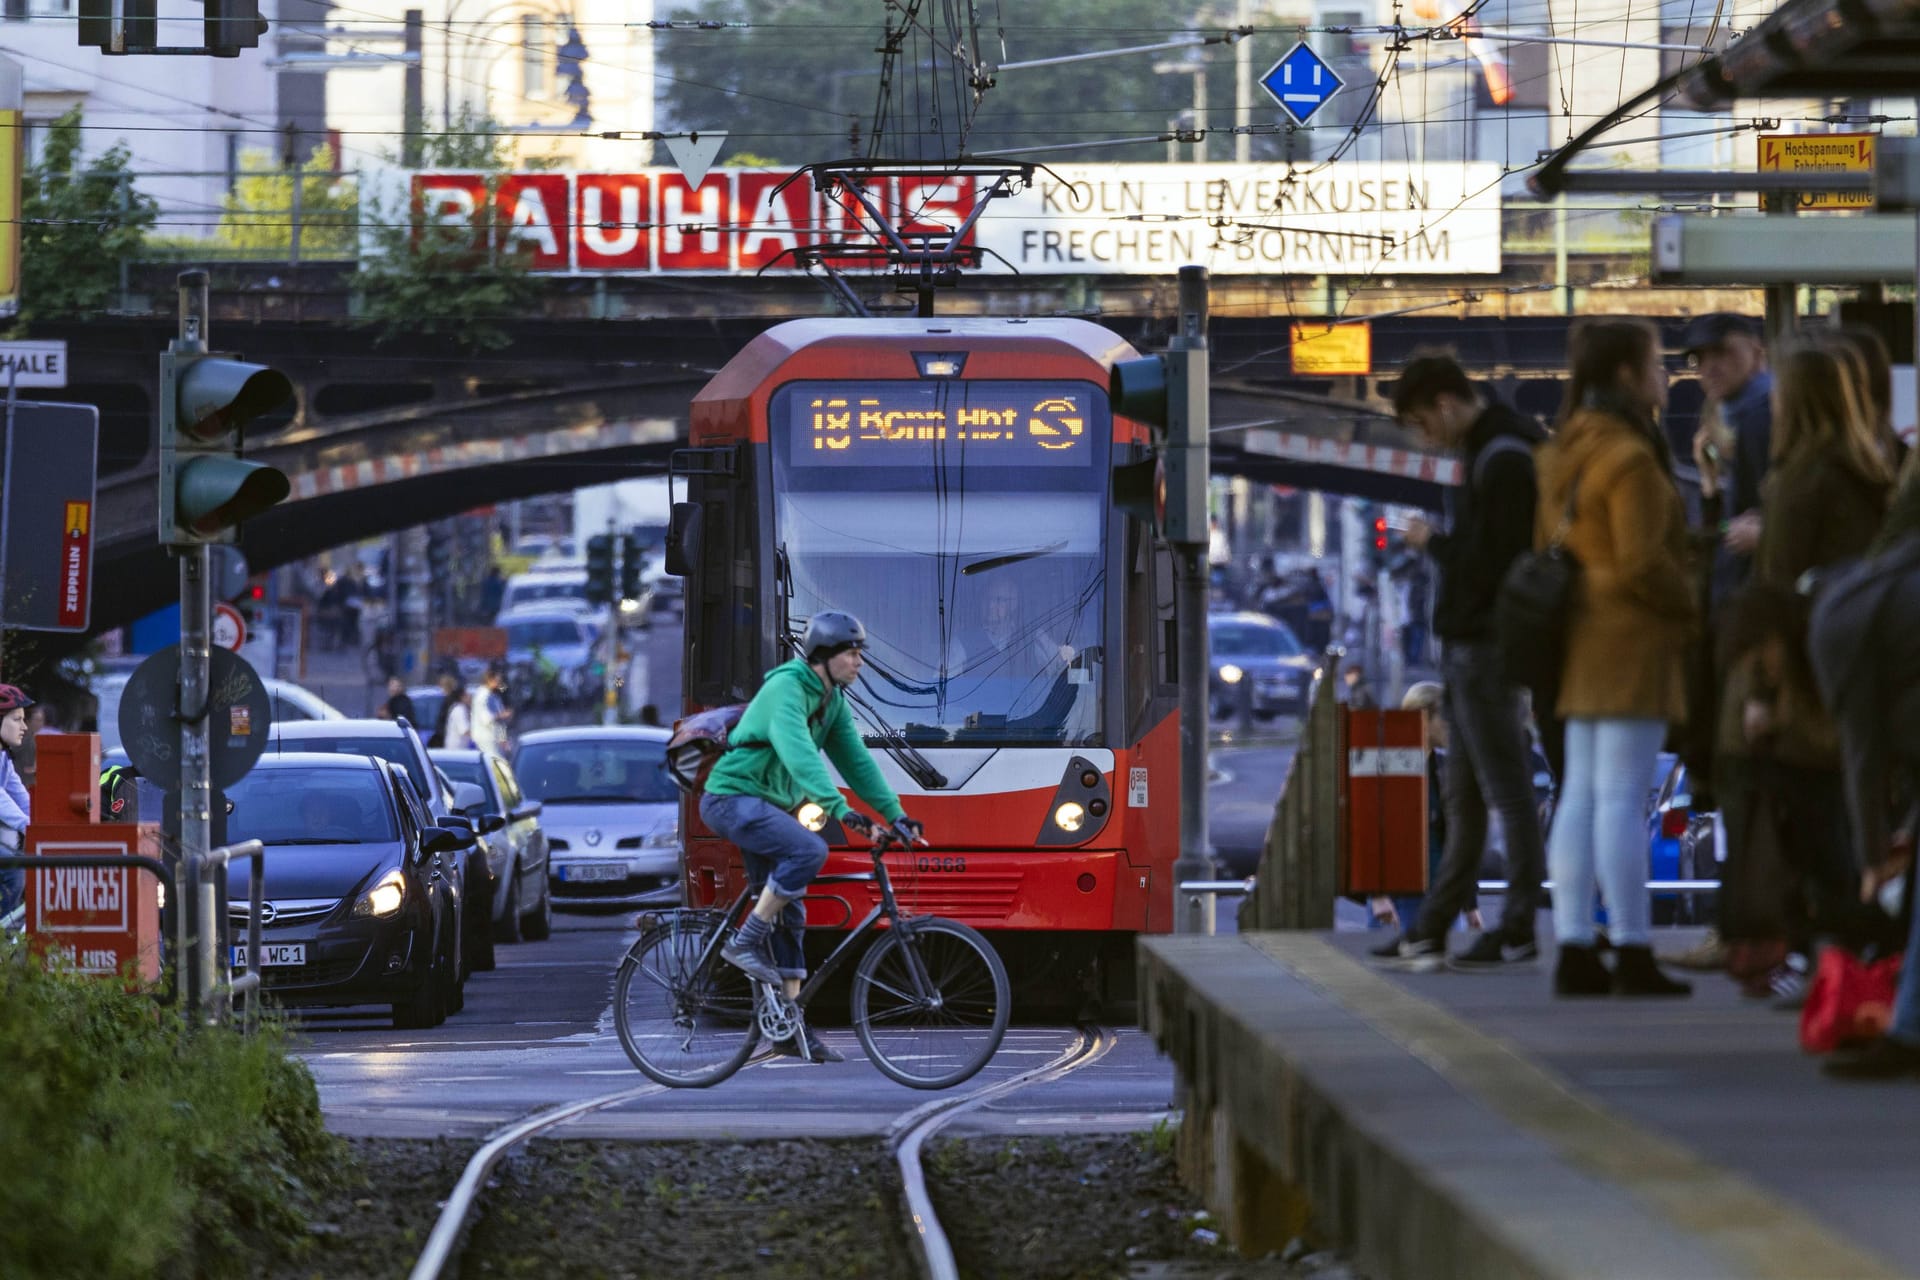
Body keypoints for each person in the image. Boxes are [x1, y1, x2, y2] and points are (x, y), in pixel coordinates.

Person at [1715, 340, 1893, 1001]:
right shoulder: (1868, 469)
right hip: (1847, 665)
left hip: (1794, 676)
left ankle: (1825, 959)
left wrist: (1760, 693)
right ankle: (1853, 956)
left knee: (1801, 828)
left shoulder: (1797, 481)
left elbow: (1776, 594)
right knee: (1838, 821)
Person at [1535, 319, 1696, 998]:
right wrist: (1694, 597)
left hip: (1576, 635)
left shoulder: (1565, 450)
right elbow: (1642, 562)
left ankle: (1574, 944)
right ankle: (1631, 944)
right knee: (1624, 798)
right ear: (1629, 375)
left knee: (1580, 795)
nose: (1665, 376)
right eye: (1657, 363)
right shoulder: (1629, 458)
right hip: (1629, 637)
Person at [1379, 354, 1548, 972]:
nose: (1429, 439)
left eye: (1425, 425)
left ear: (1446, 404)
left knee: (1504, 791)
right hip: (1472, 647)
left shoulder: (1502, 458)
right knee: (1465, 797)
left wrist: (1434, 542)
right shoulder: (1497, 451)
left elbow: (1494, 561)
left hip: (1486, 646)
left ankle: (1520, 923)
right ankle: (1430, 925)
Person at [700, 612, 923, 1063]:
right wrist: (840, 809)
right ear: (824, 657)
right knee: (809, 849)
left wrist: (897, 815)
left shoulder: (833, 702)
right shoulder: (787, 688)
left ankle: (788, 1026)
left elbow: (856, 763)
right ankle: (743, 942)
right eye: (852, 653)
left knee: (792, 913)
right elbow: (798, 754)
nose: (860, 662)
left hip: (767, 807)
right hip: (731, 798)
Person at [0, 685, 35, 923]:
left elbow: (21, 797)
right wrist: (29, 827)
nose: (24, 727)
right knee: (14, 870)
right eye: (16, 719)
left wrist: (44, 825)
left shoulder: (3, 756)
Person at [470, 663, 511, 756]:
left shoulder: (494, 696)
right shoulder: (483, 696)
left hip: (495, 739)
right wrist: (503, 715)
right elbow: (486, 719)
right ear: (489, 680)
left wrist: (503, 739)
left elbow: (501, 723)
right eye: (497, 680)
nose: (499, 683)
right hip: (486, 739)